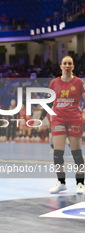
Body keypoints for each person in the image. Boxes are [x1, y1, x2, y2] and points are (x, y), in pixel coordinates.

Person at [39, 56, 85, 194]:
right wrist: (42, 118)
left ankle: (81, 183)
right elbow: (48, 102)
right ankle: (61, 182)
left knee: (76, 152)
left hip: (74, 119)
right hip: (58, 119)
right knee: (58, 153)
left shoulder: (79, 82)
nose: (67, 65)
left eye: (69, 63)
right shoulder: (54, 83)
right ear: (61, 66)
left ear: (73, 66)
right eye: (64, 63)